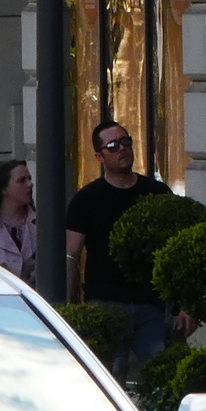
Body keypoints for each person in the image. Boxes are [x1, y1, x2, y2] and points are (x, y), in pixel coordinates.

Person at [62, 121, 173, 371]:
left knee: (159, 370)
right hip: (106, 303)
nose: (122, 149)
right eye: (112, 146)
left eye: (126, 142)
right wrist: (71, 308)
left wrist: (184, 307)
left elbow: (176, 250)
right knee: (108, 376)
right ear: (99, 156)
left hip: (150, 303)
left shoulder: (157, 193)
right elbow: (71, 255)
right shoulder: (86, 200)